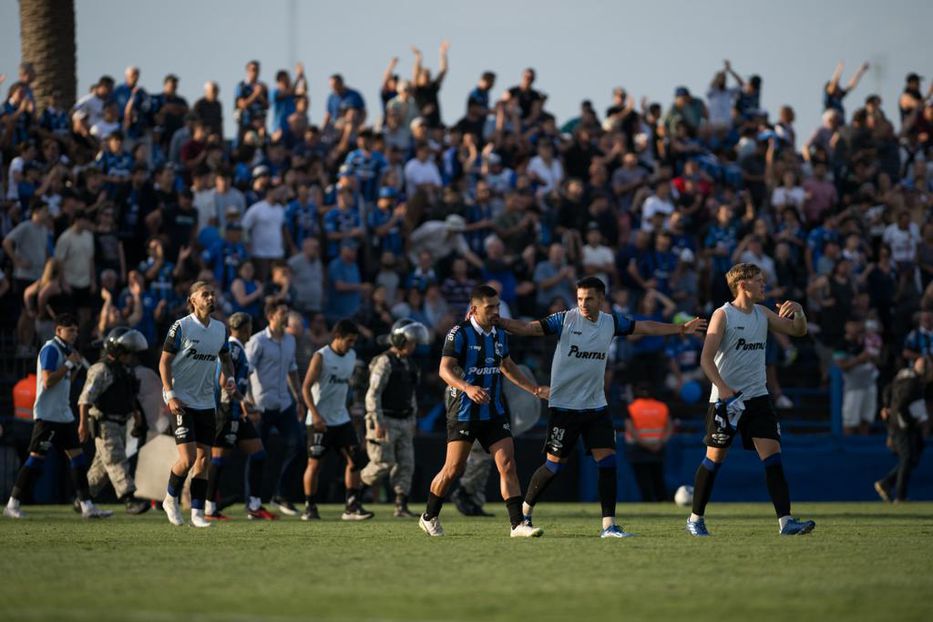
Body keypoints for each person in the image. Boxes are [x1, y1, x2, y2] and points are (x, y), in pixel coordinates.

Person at [498, 277, 706, 537]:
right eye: (580, 298)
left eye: (589, 299)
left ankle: (609, 526)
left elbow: (645, 327)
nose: (583, 303)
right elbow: (528, 328)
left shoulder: (611, 322)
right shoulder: (565, 319)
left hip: (596, 406)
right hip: (565, 407)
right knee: (554, 466)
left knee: (607, 462)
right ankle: (525, 514)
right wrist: (500, 322)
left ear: (601, 300)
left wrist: (680, 329)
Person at [686, 263, 815, 537]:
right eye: (759, 280)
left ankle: (786, 522)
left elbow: (797, 331)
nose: (764, 285)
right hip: (726, 401)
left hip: (757, 397)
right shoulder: (723, 315)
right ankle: (695, 518)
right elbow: (706, 359)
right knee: (714, 459)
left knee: (773, 457)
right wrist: (722, 389)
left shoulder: (762, 313)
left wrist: (800, 313)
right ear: (742, 285)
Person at [418, 284, 546, 538]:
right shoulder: (459, 333)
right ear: (475, 309)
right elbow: (444, 370)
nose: (496, 311)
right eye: (490, 307)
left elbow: (506, 366)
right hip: (464, 411)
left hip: (494, 411)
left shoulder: (499, 333)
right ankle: (429, 515)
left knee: (507, 464)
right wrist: (467, 387)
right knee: (452, 469)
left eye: (497, 306)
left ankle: (517, 524)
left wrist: (533, 389)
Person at [5, 314, 112, 519]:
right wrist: (70, 365)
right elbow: (47, 381)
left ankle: (87, 505)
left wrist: (75, 368)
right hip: (47, 416)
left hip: (63, 415)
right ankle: (12, 504)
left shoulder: (66, 351)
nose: (74, 334)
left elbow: (65, 382)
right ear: (58, 331)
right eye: (69, 330)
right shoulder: (50, 349)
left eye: (75, 330)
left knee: (78, 458)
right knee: (36, 459)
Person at [160, 281, 240, 528]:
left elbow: (225, 360)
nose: (210, 298)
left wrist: (230, 378)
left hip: (206, 401)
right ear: (192, 300)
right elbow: (164, 363)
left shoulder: (220, 329)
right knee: (188, 458)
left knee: (204, 460)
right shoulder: (181, 327)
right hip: (181, 399)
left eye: (213, 294)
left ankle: (197, 513)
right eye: (205, 294)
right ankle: (170, 499)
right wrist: (170, 394)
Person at [300, 319, 374, 521]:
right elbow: (306, 388)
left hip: (341, 418)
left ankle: (351, 506)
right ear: (337, 337)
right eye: (349, 340)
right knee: (315, 465)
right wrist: (315, 414)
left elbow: (345, 388)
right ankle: (310, 506)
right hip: (319, 421)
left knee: (355, 460)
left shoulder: (351, 356)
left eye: (354, 341)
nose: (352, 344)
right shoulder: (321, 357)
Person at [360, 319, 430, 518]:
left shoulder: (410, 364)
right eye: (410, 342)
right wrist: (377, 421)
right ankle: (354, 495)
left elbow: (411, 395)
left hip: (405, 420)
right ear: (399, 340)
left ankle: (401, 505)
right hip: (386, 420)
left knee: (406, 465)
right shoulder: (384, 361)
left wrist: (413, 419)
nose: (413, 346)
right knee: (383, 463)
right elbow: (373, 393)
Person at [78, 327, 151, 515]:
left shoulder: (124, 371)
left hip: (120, 423)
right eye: (128, 353)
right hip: (104, 423)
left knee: (102, 469)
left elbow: (130, 399)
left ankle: (82, 498)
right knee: (117, 461)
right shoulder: (100, 370)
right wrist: (83, 425)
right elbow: (85, 399)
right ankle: (129, 499)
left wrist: (137, 419)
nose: (132, 357)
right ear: (118, 352)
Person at [245, 301, 305, 516]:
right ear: (271, 316)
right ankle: (252, 502)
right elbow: (246, 370)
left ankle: (280, 494)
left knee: (298, 445)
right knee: (257, 453)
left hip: (284, 403)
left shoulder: (290, 340)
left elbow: (292, 370)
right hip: (262, 405)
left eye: (287, 312)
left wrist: (298, 398)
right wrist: (248, 400)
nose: (286, 316)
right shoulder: (258, 341)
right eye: (282, 312)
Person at [875, 356, 931, 502]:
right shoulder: (911, 382)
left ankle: (888, 483)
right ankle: (899, 494)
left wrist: (886, 405)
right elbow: (901, 406)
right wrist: (909, 422)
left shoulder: (908, 378)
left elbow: (889, 389)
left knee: (914, 455)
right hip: (902, 425)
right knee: (908, 457)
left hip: (905, 424)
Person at [624, 384, 673, 502]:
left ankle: (648, 502)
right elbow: (669, 427)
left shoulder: (631, 407)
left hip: (638, 449)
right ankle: (662, 501)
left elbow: (630, 428)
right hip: (658, 448)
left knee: (643, 481)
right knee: (658, 478)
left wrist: (645, 444)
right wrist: (660, 442)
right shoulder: (662, 407)